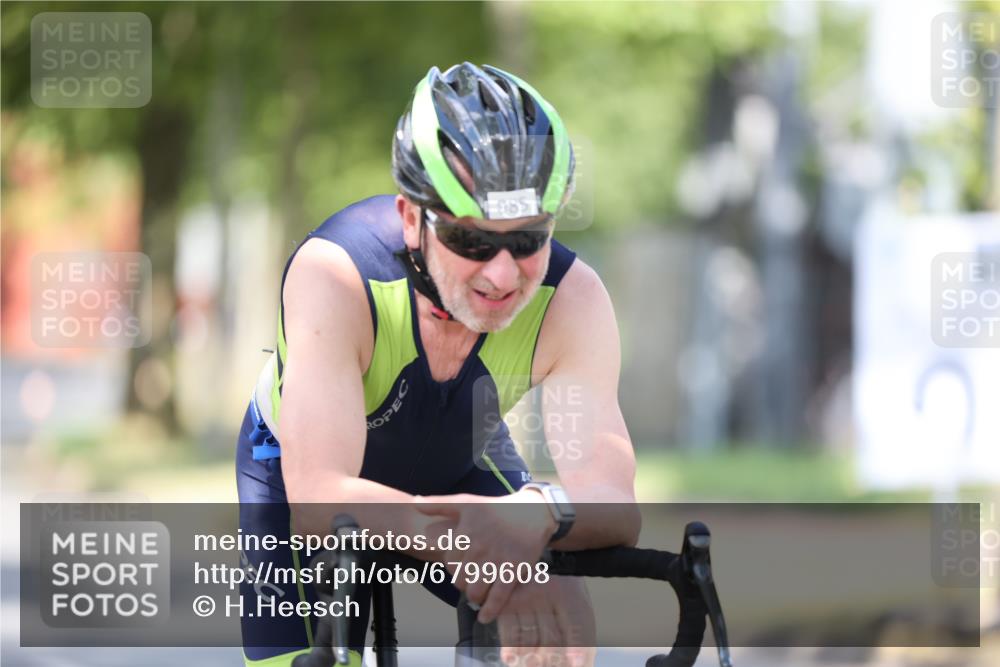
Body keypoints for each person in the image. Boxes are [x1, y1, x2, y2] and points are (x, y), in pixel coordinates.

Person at [236, 62, 640, 667]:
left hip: (459, 455)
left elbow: (613, 500)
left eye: (529, 240)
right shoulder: (334, 273)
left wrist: (539, 516)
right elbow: (322, 497)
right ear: (410, 218)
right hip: (296, 478)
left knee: (554, 635)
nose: (502, 274)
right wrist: (467, 538)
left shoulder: (574, 300)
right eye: (473, 242)